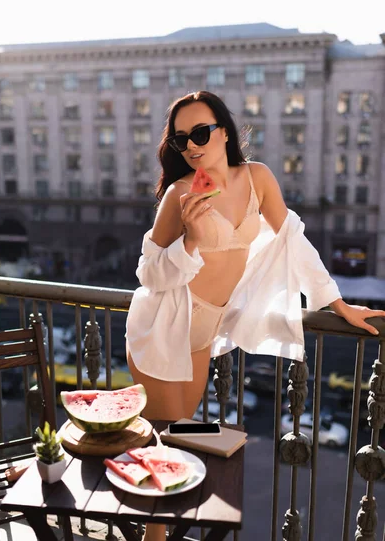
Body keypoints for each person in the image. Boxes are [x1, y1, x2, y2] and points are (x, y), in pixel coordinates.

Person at [125, 91, 384, 541]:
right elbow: (148, 274)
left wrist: (338, 303)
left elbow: (293, 243)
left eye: (201, 132)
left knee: (180, 432)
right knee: (167, 438)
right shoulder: (180, 193)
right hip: (164, 325)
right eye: (182, 138)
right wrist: (190, 242)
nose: (191, 145)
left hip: (205, 330)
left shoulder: (257, 178)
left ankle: (155, 525)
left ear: (224, 131)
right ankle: (153, 532)